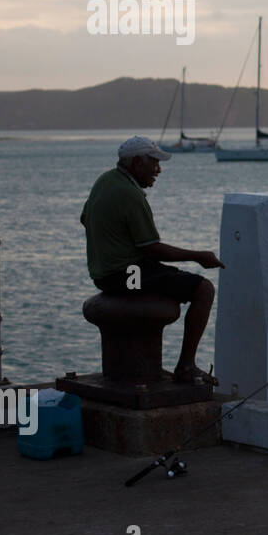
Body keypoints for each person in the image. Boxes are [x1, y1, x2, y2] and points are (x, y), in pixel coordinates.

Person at [80, 136, 224, 384]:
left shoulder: (105, 181)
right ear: (137, 162)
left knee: (168, 277)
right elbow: (153, 249)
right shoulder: (130, 195)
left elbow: (85, 218)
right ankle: (186, 366)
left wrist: (112, 243)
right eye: (154, 163)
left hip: (103, 275)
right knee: (203, 289)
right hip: (127, 277)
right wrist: (198, 256)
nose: (158, 170)